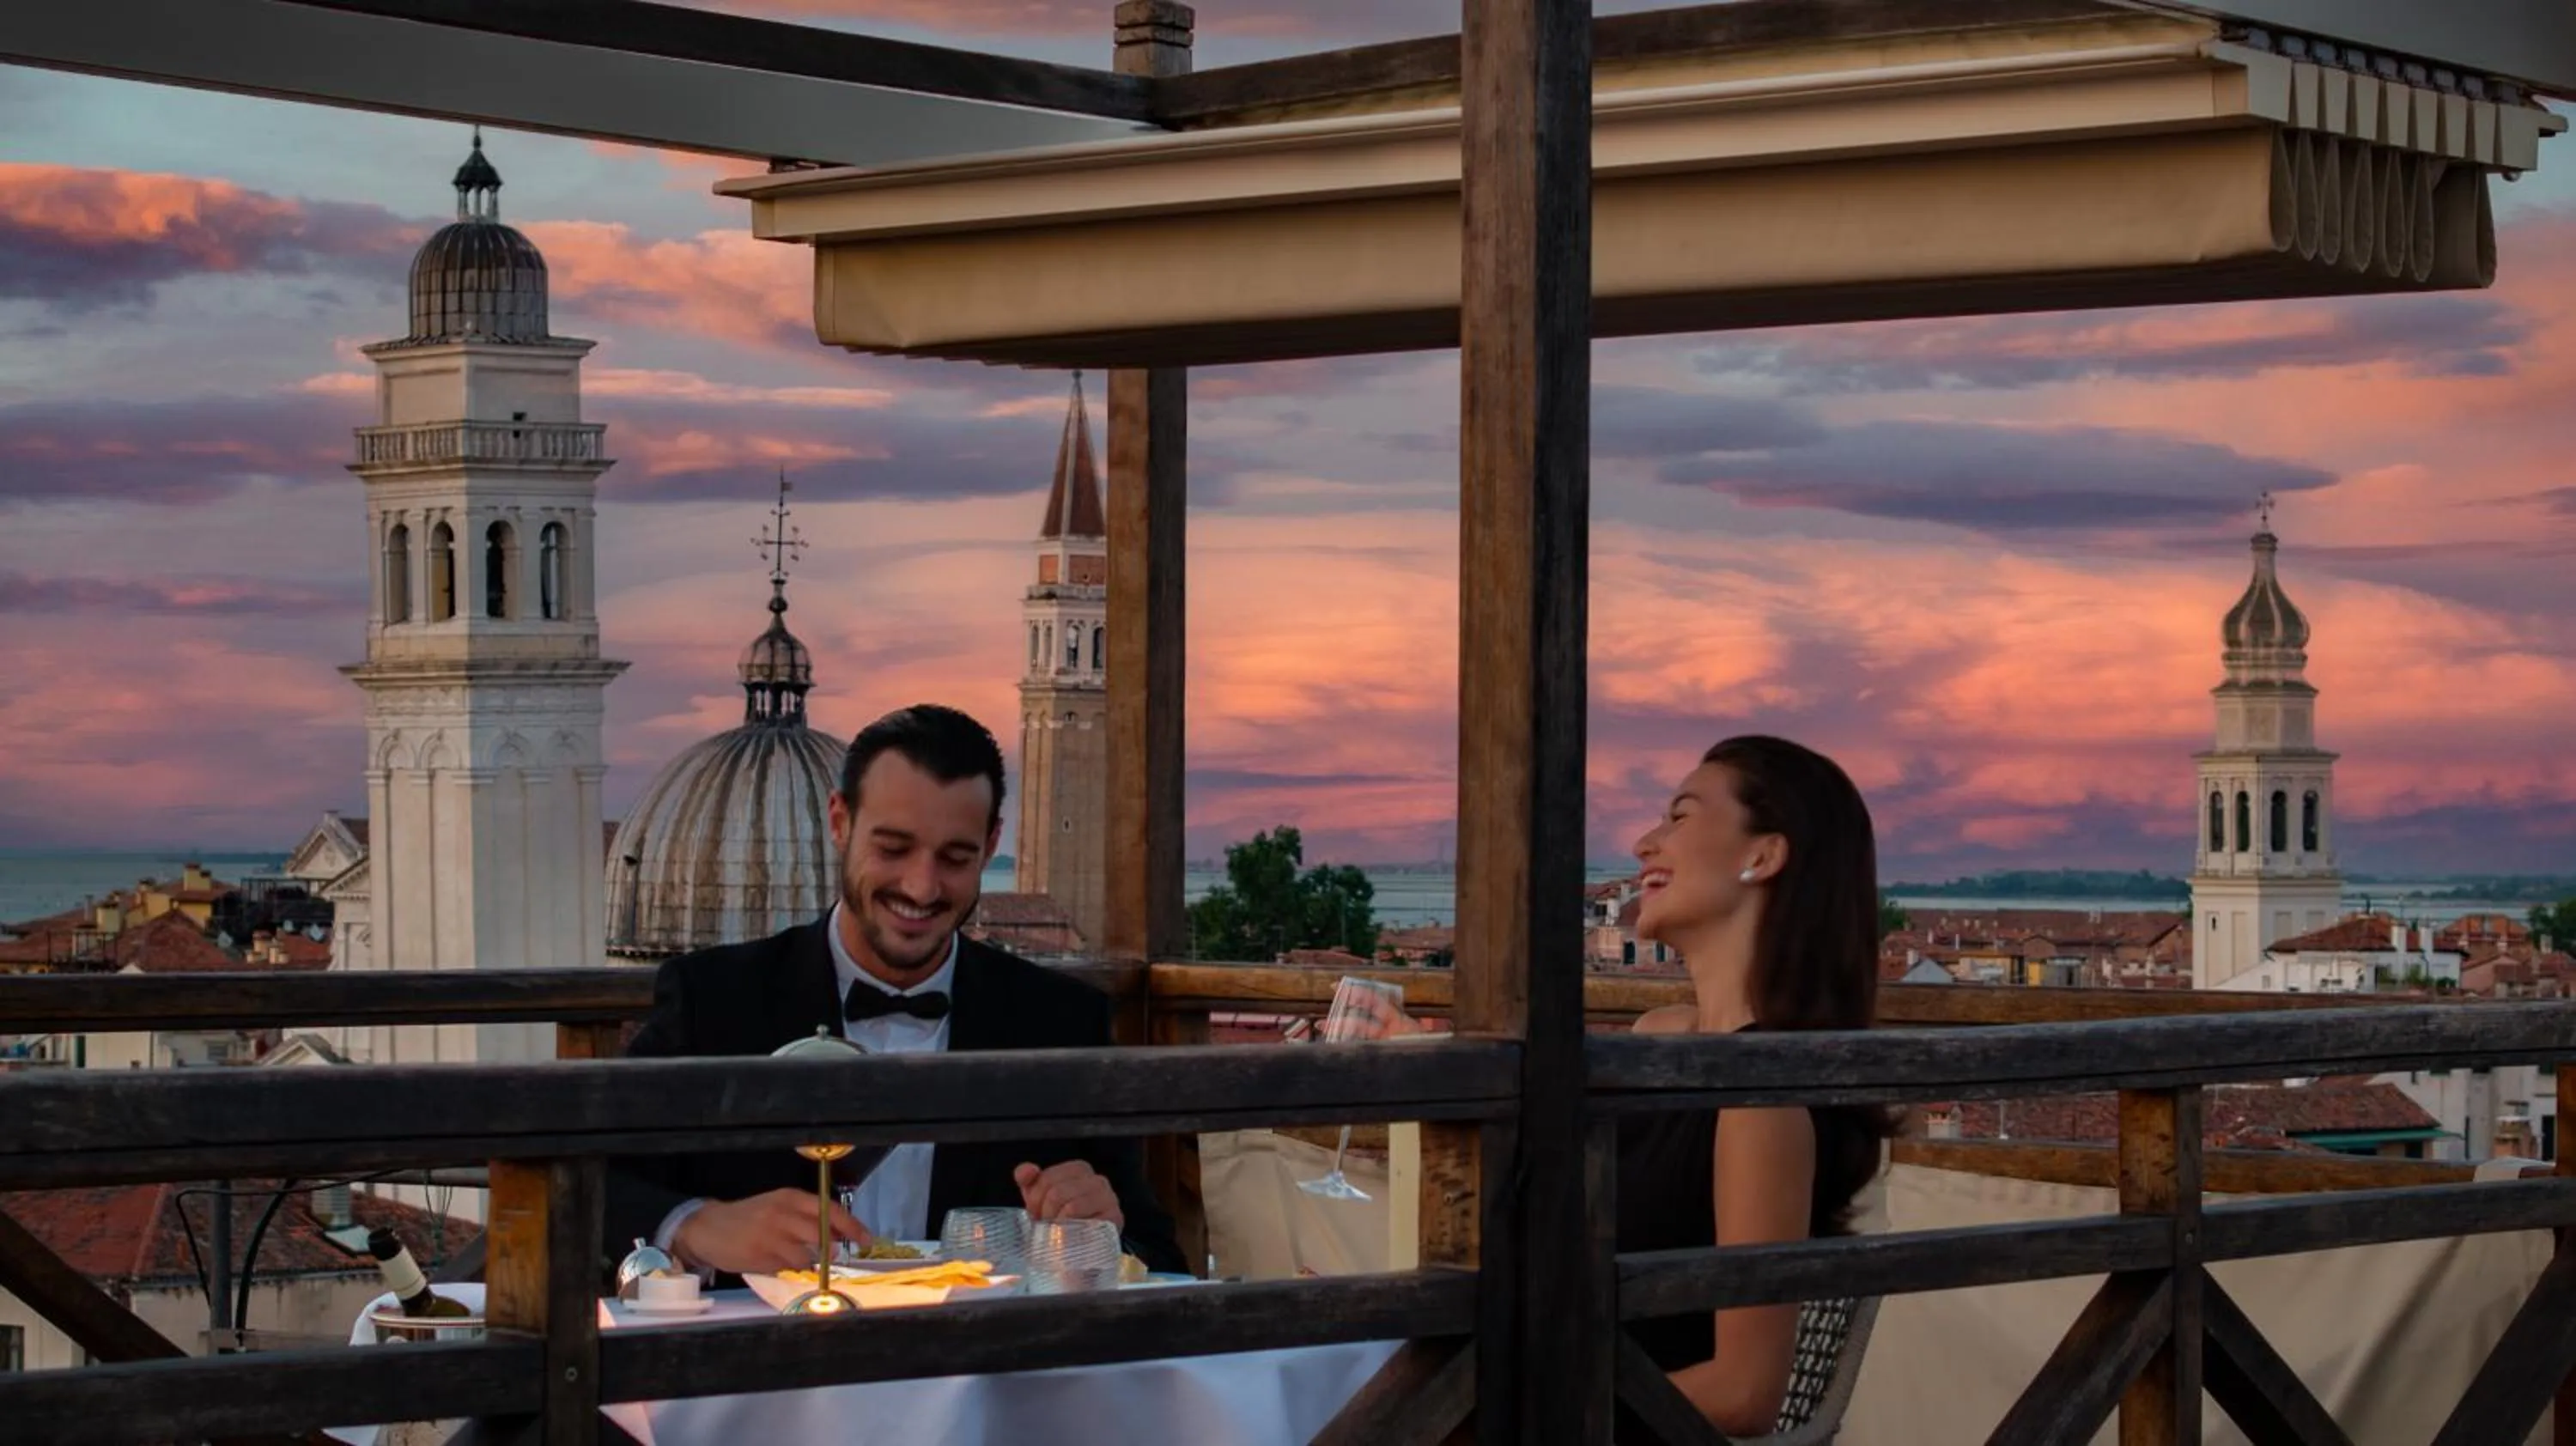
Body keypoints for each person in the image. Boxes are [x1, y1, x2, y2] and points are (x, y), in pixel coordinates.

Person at [1352, 735, 1887, 1436]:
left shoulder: (1763, 1103)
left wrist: (1519, 1408)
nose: (1644, 842)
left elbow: (1745, 1392)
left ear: (1762, 856)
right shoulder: (1657, 1037)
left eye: (1681, 817)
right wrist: (1433, 1067)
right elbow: (1546, 1211)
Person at [603, 703, 1186, 1279]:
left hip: (981, 1369)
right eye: (893, 849)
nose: (921, 886)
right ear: (839, 822)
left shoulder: (1060, 1020)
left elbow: (1158, 1257)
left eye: (954, 858)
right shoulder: (715, 999)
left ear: (990, 846)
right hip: (763, 1365)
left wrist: (1103, 1235)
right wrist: (696, 1226)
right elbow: (594, 1184)